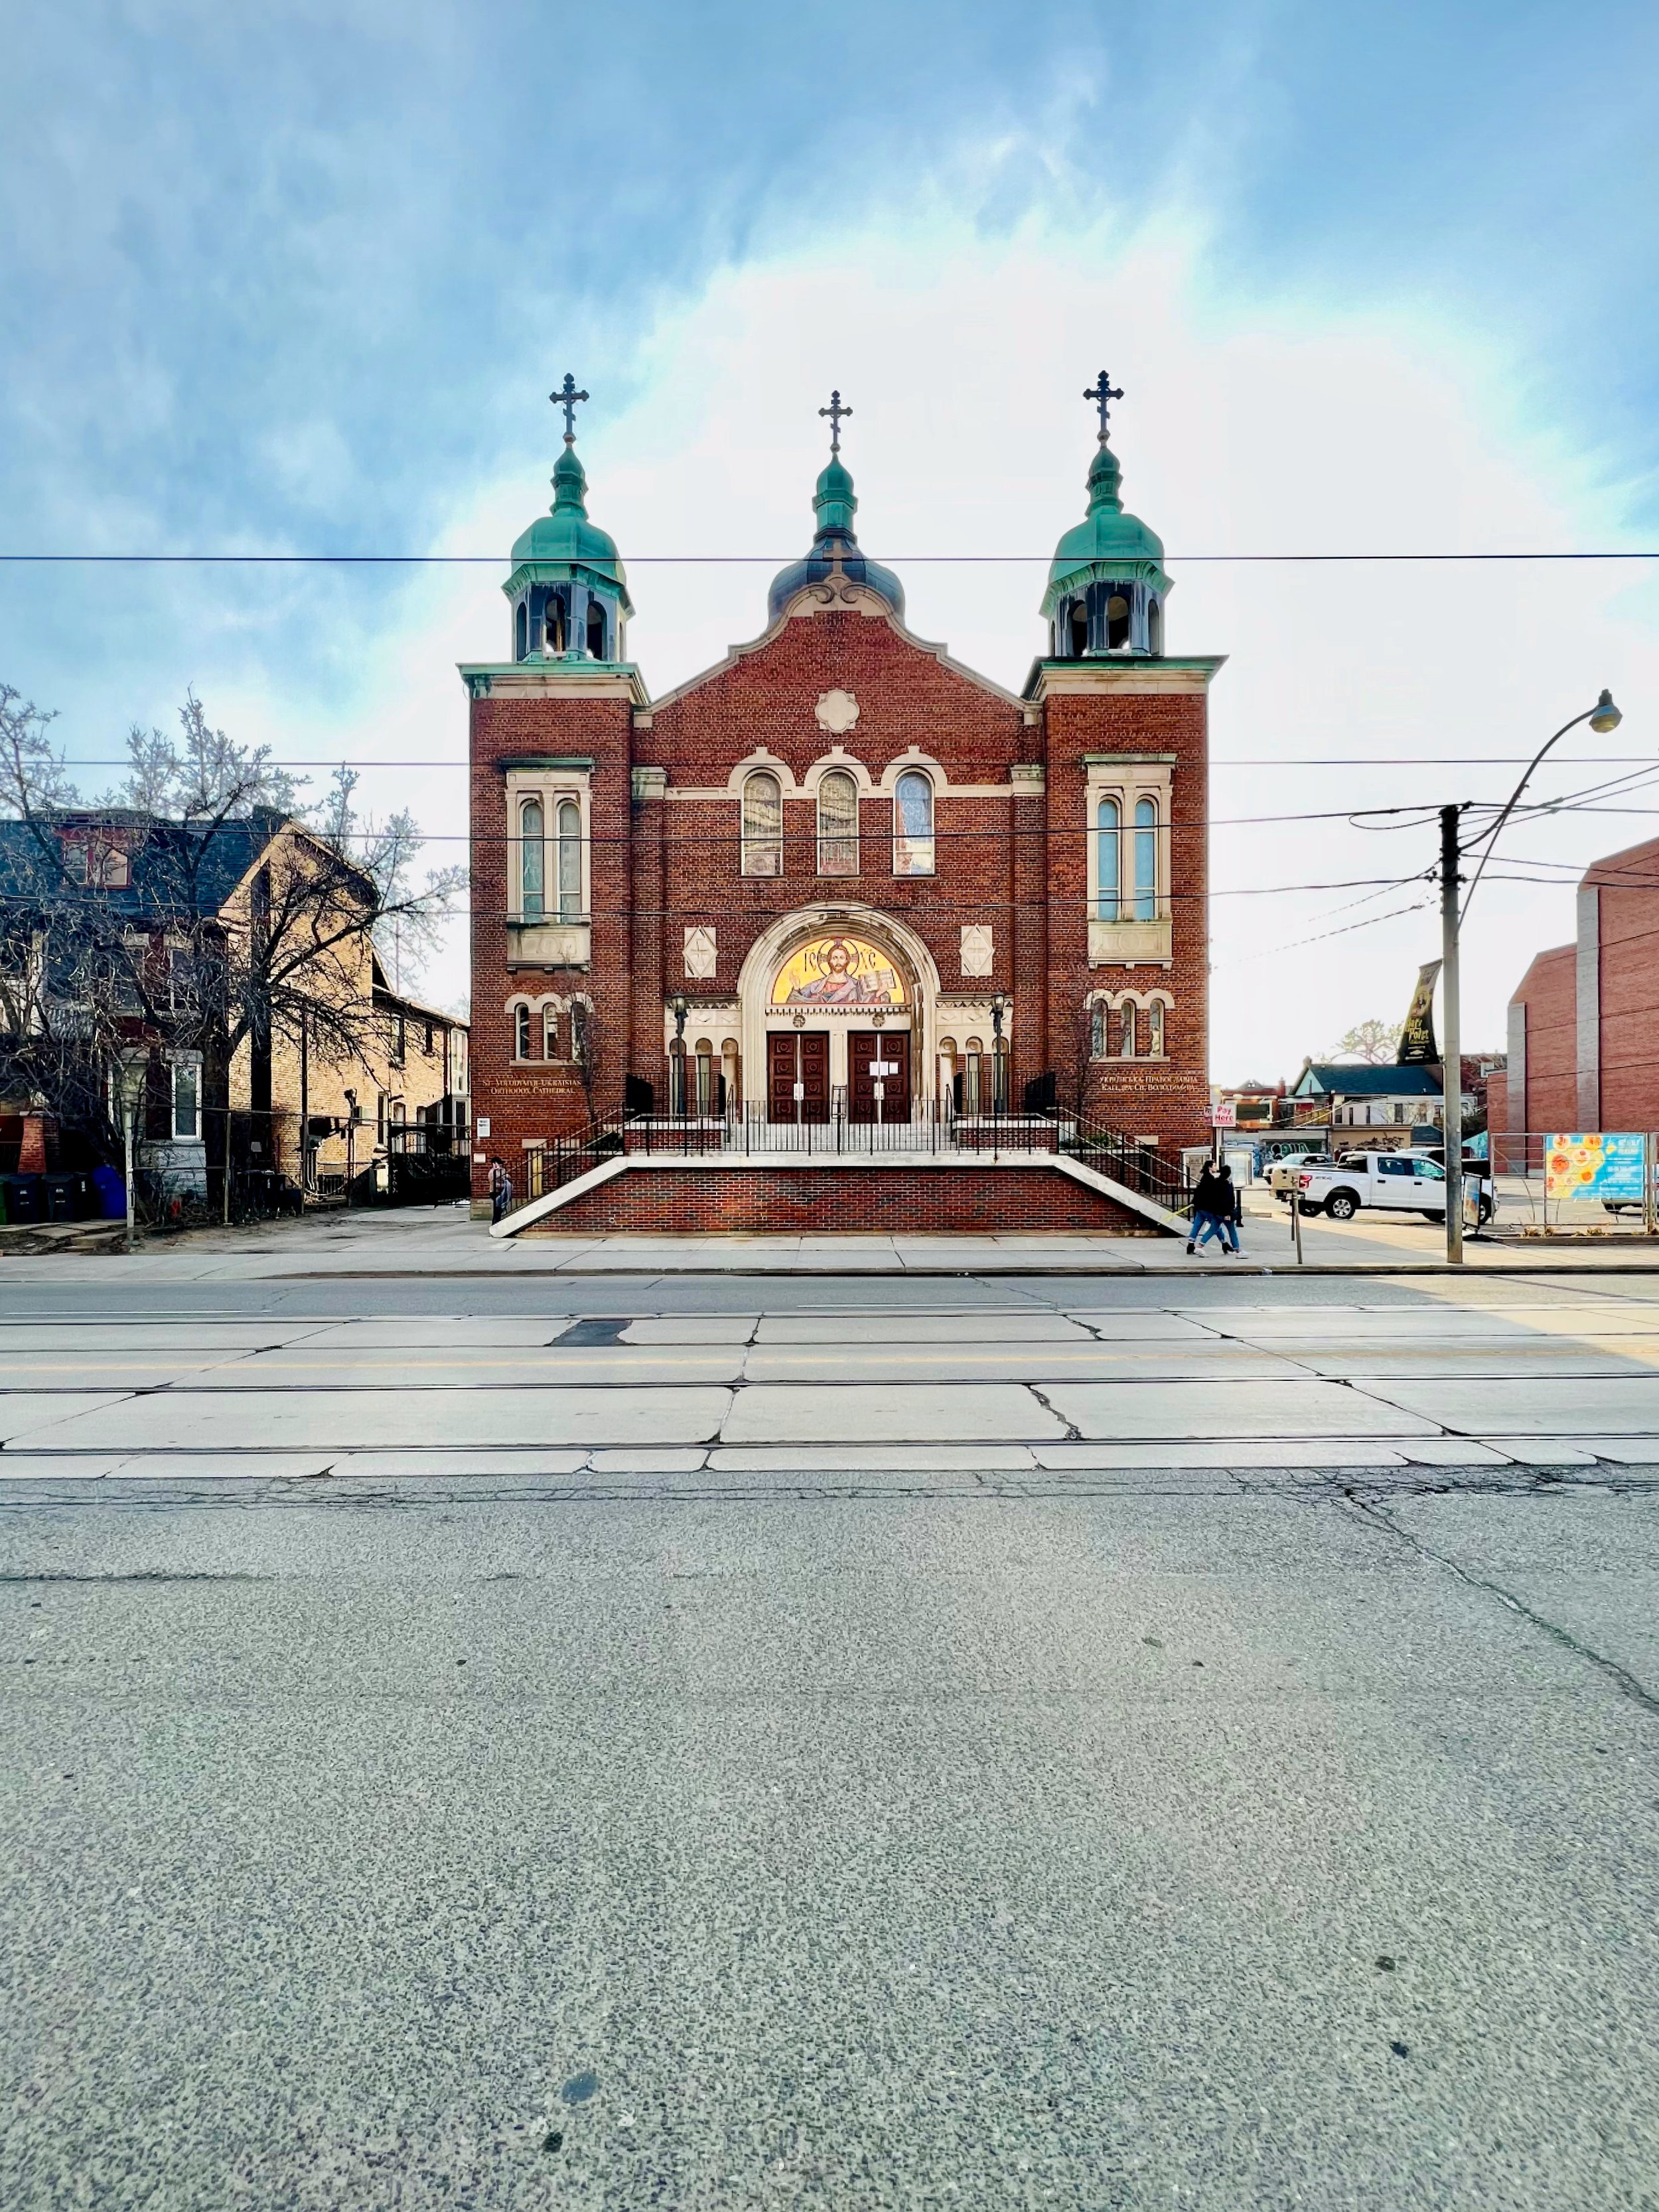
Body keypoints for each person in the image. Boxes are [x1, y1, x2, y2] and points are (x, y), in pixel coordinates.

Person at [1187, 1161, 1226, 1255]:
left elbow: (1199, 1192)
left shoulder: (1204, 1178)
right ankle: (1224, 1243)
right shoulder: (1210, 1179)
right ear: (1210, 1167)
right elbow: (1213, 1195)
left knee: (1197, 1226)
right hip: (1207, 1208)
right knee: (1216, 1225)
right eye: (1215, 1165)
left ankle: (1191, 1244)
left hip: (1200, 1207)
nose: (1216, 1167)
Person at [1216, 1160, 1244, 1255]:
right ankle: (1237, 1249)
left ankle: (1201, 1245)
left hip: (1217, 1212)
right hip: (1225, 1212)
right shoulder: (1227, 1184)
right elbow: (1229, 1199)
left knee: (1213, 1229)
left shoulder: (1217, 1182)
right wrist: (1228, 1212)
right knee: (1232, 1230)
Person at [488, 1155, 513, 1225]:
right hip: (495, 1192)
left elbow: (509, 1180)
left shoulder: (503, 1170)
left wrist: (508, 1177)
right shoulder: (492, 1172)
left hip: (502, 1191)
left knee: (499, 1209)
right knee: (497, 1209)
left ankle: (498, 1222)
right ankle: (495, 1223)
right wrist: (503, 1185)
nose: (501, 1165)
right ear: (494, 1164)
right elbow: (494, 1184)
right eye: (499, 1163)